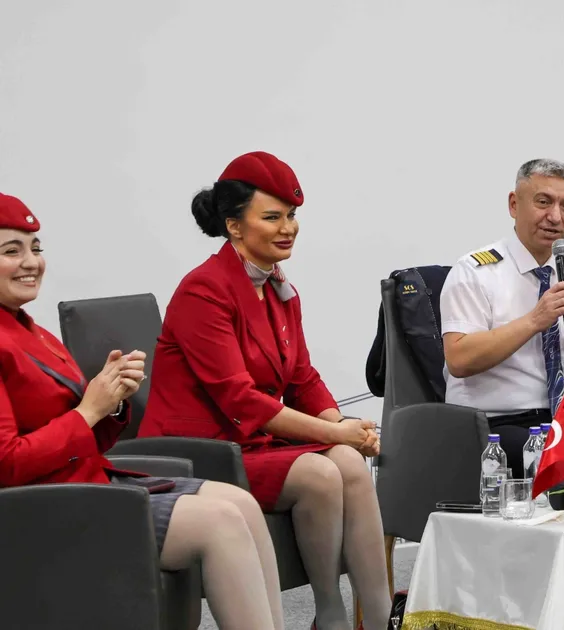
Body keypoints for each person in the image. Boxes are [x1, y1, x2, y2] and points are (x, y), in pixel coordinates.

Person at [0, 193, 286, 629]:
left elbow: (85, 435)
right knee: (222, 523)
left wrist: (112, 401)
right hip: (46, 508)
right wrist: (88, 410)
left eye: (35, 248)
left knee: (240, 503)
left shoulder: (33, 332)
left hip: (91, 485)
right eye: (11, 251)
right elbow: (8, 463)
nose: (31, 262)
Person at [138, 152, 391, 629]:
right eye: (272, 217)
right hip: (200, 451)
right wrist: (334, 434)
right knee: (320, 473)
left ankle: (378, 620)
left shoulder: (277, 287)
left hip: (251, 443)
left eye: (291, 216)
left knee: (350, 464)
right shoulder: (203, 290)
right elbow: (240, 398)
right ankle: (330, 616)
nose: (288, 228)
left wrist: (342, 426)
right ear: (234, 226)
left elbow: (302, 378)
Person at [440, 158, 564, 472]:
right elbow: (459, 360)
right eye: (543, 202)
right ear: (514, 204)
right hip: (492, 423)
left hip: (561, 418)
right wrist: (535, 320)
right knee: (557, 463)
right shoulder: (476, 271)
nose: (555, 217)